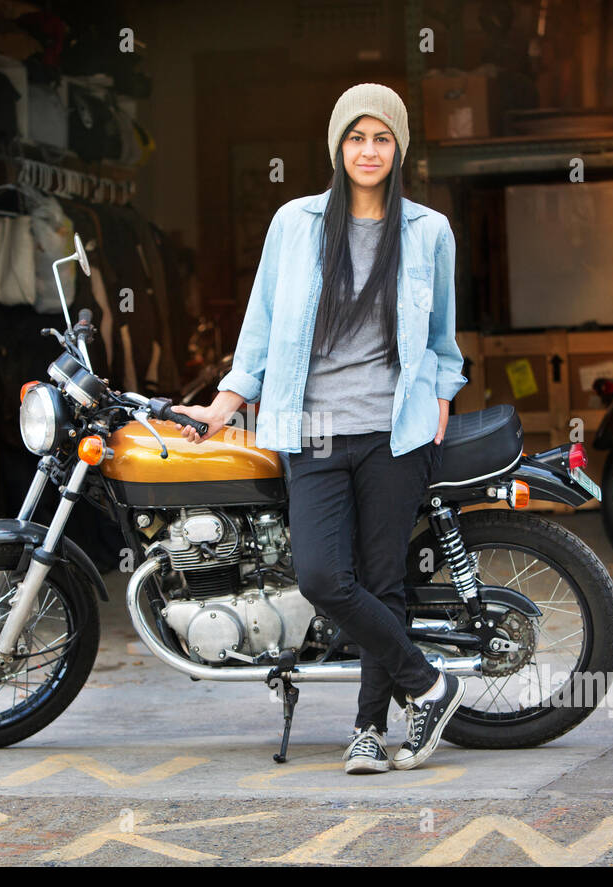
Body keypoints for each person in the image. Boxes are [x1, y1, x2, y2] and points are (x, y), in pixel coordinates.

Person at [171, 83, 468, 773]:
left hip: (395, 432)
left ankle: (368, 731)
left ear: (399, 149)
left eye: (382, 138)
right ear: (337, 146)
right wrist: (226, 401)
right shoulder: (295, 224)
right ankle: (429, 684)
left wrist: (443, 394)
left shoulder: (428, 232)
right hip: (316, 432)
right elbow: (262, 325)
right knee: (324, 576)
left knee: (383, 581)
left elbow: (446, 334)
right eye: (356, 137)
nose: (369, 151)